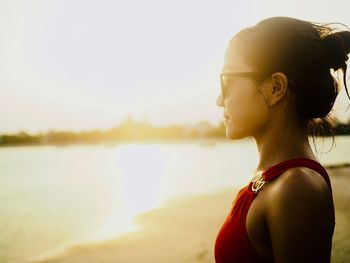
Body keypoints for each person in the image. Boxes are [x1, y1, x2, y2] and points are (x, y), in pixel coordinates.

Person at [214, 16, 350, 263]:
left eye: (228, 82)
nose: (220, 100)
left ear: (276, 87)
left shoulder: (297, 189)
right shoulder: (271, 178)